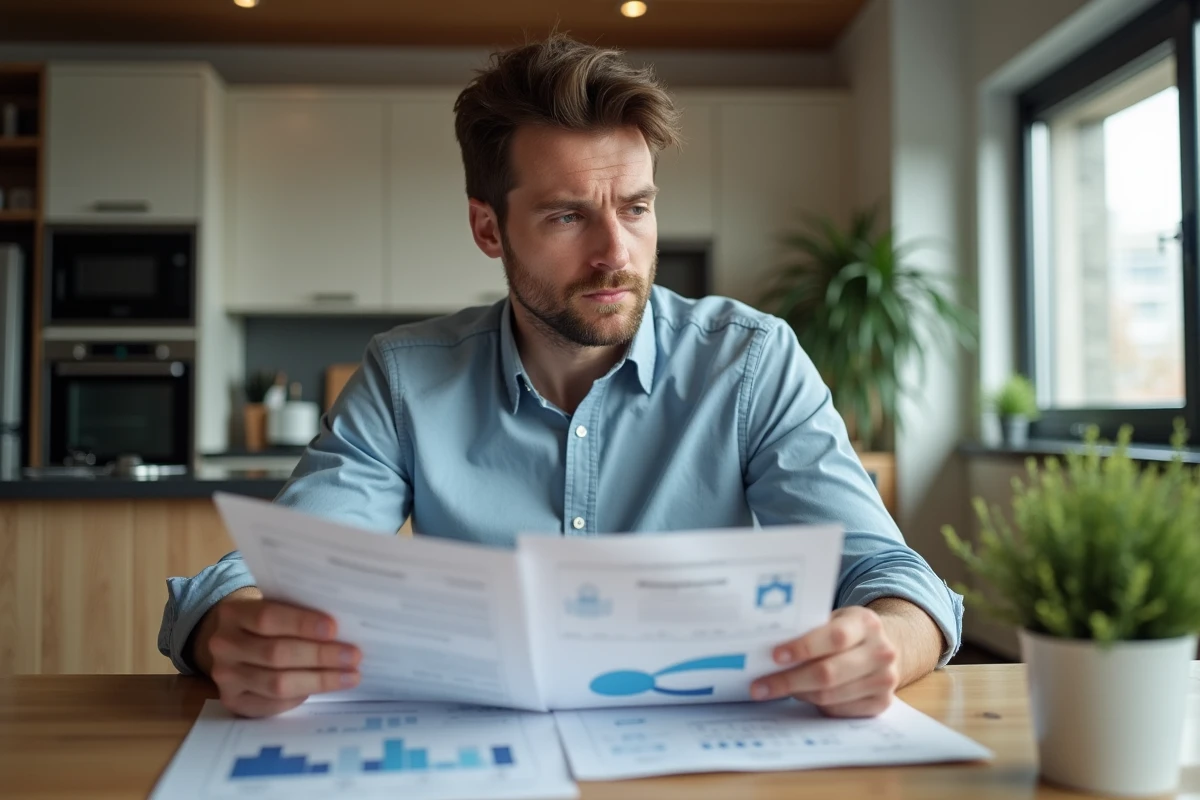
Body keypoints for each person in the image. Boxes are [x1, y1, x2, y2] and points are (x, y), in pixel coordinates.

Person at [159, 33, 962, 720]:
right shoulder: (406, 379)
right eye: (568, 215)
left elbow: (893, 578)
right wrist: (227, 628)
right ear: (487, 226)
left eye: (637, 208)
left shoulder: (751, 361)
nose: (616, 252)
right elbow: (275, 576)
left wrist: (886, 641)